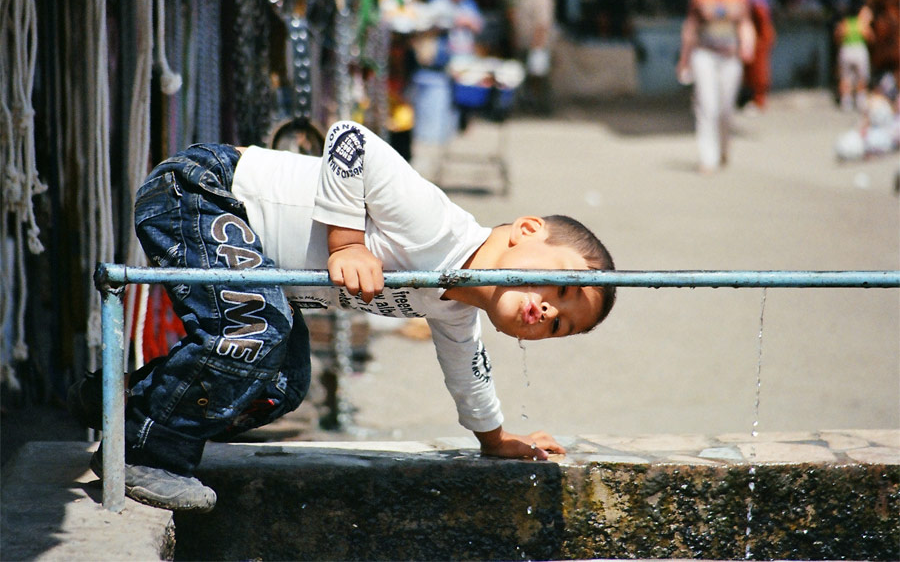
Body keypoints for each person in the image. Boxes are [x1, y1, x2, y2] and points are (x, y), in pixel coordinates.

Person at [72, 120, 617, 512]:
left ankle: (122, 404)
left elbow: (469, 376)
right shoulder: (434, 226)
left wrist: (495, 441)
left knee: (284, 385)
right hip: (205, 193)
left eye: (560, 323)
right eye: (562, 284)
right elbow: (350, 139)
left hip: (247, 251)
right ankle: (148, 452)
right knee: (258, 327)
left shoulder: (455, 312)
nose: (547, 309)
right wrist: (346, 244)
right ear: (524, 231)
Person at [676, 0, 756, 175]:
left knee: (725, 109)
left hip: (730, 57)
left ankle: (723, 148)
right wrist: (684, 58)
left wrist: (748, 46)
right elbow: (691, 26)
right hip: (704, 55)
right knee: (707, 106)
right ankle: (707, 158)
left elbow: (745, 23)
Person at [511, 0, 557, 115]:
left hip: (537, 47)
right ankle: (530, 107)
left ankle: (544, 109)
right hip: (526, 45)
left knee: (540, 79)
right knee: (527, 80)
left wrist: (536, 48)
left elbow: (542, 24)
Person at [739, 0, 776, 111]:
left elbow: (761, 11)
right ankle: (748, 98)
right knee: (748, 69)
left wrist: (759, 34)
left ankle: (758, 99)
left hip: (758, 31)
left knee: (758, 68)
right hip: (751, 30)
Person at [833, 0, 874, 111]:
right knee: (862, 76)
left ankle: (846, 101)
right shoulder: (861, 23)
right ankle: (860, 99)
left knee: (845, 77)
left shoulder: (844, 23)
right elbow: (869, 36)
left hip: (846, 49)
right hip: (859, 49)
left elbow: (837, 36)